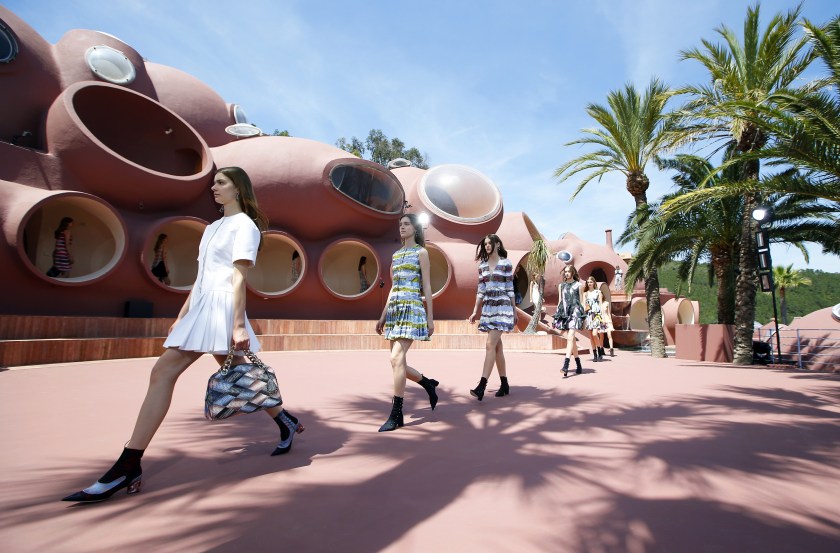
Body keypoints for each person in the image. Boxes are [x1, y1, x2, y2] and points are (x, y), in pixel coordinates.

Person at [62, 167, 304, 503]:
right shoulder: (212, 228)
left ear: (238, 189)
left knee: (168, 372)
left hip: (222, 308)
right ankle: (285, 421)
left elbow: (237, 278)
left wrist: (236, 325)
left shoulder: (245, 226)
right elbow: (201, 275)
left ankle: (129, 463)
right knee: (239, 375)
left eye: (221, 183)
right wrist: (181, 316)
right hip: (202, 307)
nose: (214, 188)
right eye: (214, 184)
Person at [375, 214, 439, 432]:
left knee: (396, 357)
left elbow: (427, 287)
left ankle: (396, 413)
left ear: (415, 228)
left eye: (406, 224)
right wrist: (383, 315)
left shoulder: (422, 252)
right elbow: (393, 287)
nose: (401, 227)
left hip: (412, 307)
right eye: (400, 224)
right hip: (394, 309)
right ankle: (427, 383)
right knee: (395, 362)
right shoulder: (396, 255)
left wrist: (430, 317)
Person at [467, 234, 517, 400]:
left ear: (497, 244)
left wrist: (514, 311)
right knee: (497, 347)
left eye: (490, 243)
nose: (487, 246)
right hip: (488, 307)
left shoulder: (506, 263)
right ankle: (504, 383)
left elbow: (510, 288)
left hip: (503, 306)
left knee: (490, 344)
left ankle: (482, 385)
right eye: (485, 244)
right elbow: (481, 290)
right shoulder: (482, 266)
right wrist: (475, 310)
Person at [552, 265, 585, 376]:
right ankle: (578, 364)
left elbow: (582, 301)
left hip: (575, 312)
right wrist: (557, 315)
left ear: (573, 273)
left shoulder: (579, 285)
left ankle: (565, 365)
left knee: (570, 337)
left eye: (568, 272)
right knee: (572, 340)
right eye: (565, 272)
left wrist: (583, 318)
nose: (566, 273)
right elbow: (560, 301)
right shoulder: (561, 286)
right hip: (565, 313)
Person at [583, 276, 608, 362]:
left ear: (594, 283)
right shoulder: (585, 294)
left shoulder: (598, 292)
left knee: (594, 334)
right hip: (589, 315)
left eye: (591, 282)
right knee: (591, 336)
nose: (589, 283)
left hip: (597, 315)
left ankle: (600, 351)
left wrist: (603, 318)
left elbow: (601, 305)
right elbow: (584, 305)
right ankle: (595, 355)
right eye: (588, 282)